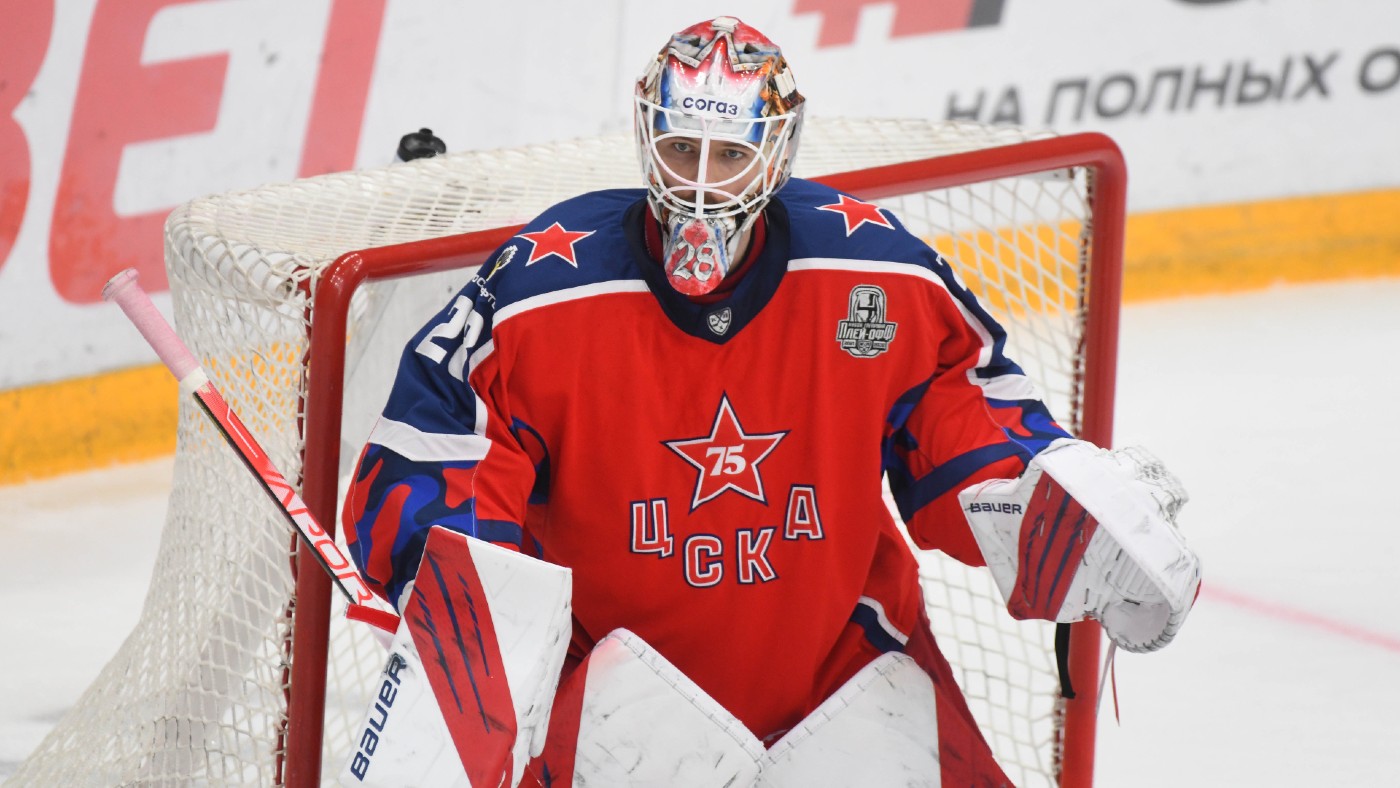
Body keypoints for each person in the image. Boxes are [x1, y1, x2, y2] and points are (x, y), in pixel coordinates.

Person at [342, 16, 1199, 786]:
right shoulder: (543, 290)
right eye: (682, 149)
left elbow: (962, 412)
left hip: (845, 676)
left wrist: (1044, 497)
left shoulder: (874, 275)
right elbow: (440, 448)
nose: (701, 185)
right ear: (647, 138)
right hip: (611, 698)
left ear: (778, 152)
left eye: (730, 155)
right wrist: (462, 598)